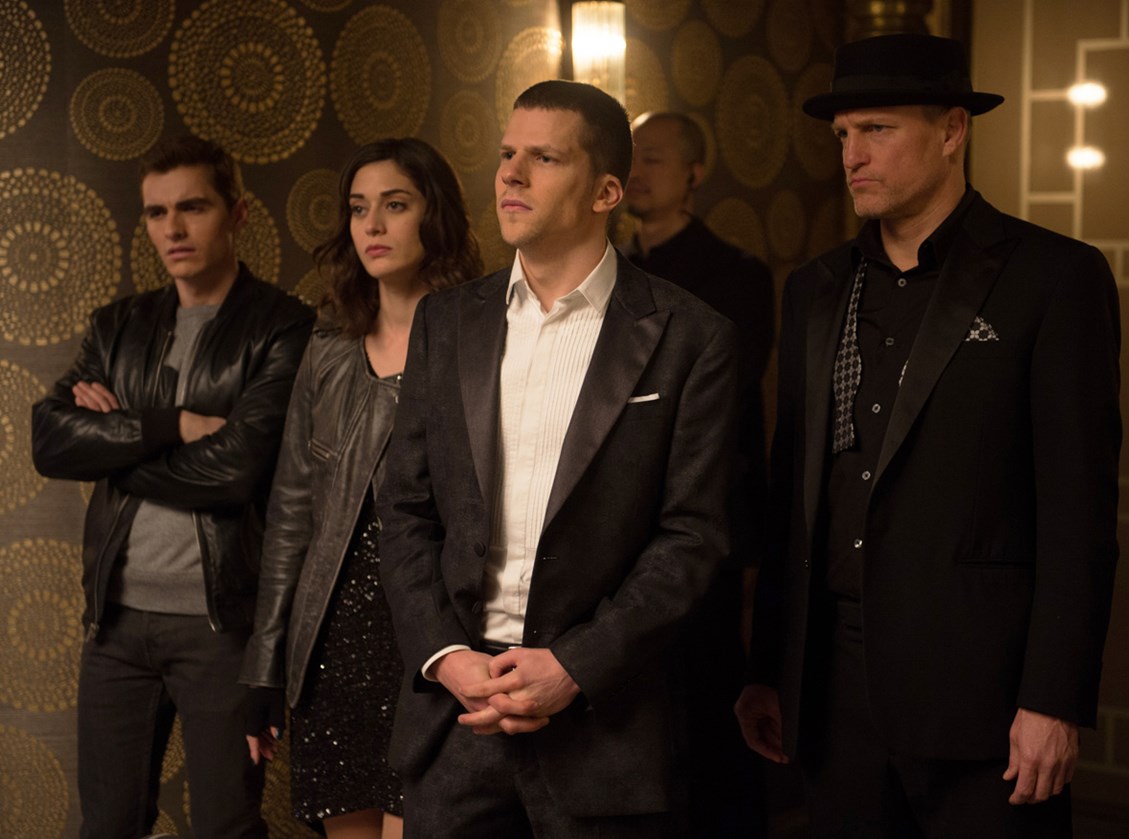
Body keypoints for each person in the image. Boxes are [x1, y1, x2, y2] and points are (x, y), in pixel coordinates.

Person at [735, 33, 1121, 836]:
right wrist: (769, 668)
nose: (852, 155)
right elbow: (791, 495)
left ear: (952, 130)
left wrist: (1052, 698)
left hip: (982, 693)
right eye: (843, 134)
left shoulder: (1053, 277)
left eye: (877, 129)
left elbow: (1078, 511)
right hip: (832, 691)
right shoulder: (815, 288)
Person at [376, 80, 739, 837]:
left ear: (607, 191)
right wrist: (445, 655)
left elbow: (693, 537)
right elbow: (405, 505)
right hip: (456, 717)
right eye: (507, 154)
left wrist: (575, 665)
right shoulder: (447, 321)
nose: (510, 174)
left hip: (604, 727)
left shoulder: (690, 336)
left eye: (543, 158)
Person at [31, 135, 315, 839]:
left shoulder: (283, 327)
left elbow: (236, 469)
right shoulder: (118, 326)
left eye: (193, 207)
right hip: (116, 624)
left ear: (236, 213)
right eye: (157, 213)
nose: (173, 229)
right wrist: (173, 423)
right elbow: (50, 440)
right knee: (108, 827)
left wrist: (116, 443)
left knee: (226, 826)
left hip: (220, 626)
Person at [239, 137, 482, 838]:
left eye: (395, 205)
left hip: (432, 641)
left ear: (435, 215)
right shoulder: (329, 349)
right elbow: (291, 515)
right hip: (334, 643)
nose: (371, 225)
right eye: (357, 208)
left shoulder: (483, 341)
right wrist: (266, 669)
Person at [621, 110, 774, 837]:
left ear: (694, 173)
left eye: (654, 158)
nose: (637, 172)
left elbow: (719, 400)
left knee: (710, 709)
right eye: (630, 157)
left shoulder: (734, 274)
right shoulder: (608, 269)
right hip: (617, 530)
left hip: (703, 517)